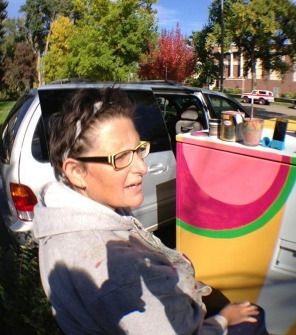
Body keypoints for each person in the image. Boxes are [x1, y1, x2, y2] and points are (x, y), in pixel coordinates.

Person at [33, 87, 269, 335]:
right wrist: (222, 321)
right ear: (77, 172)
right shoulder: (119, 278)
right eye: (121, 157)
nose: (143, 167)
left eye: (138, 150)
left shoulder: (66, 214)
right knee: (255, 317)